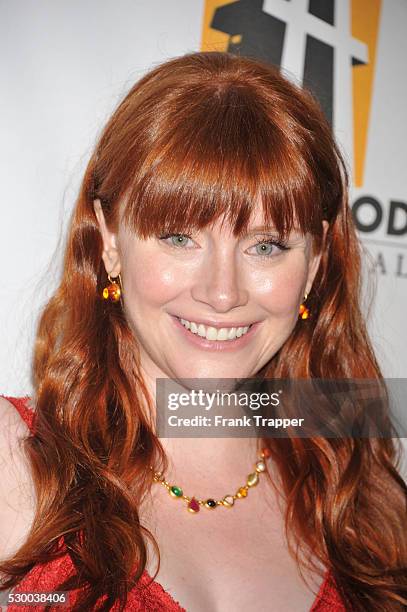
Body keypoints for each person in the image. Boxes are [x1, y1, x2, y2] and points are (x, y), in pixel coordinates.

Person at [0, 51, 406, 612]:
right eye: (178, 237)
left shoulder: (359, 487)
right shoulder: (14, 463)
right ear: (110, 241)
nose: (222, 293)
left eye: (267, 246)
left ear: (312, 264)